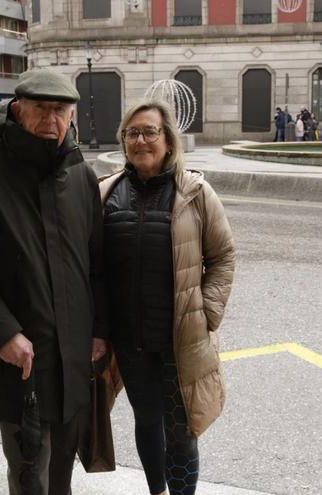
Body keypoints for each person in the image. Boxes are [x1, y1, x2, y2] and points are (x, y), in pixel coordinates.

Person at [0, 68, 107, 495]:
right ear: (17, 109)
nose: (51, 120)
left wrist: (99, 331)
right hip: (22, 363)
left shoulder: (81, 176)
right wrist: (3, 334)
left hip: (72, 361)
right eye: (41, 109)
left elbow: (96, 262)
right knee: (30, 477)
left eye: (60, 111)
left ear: (72, 117)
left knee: (61, 477)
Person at [99, 100, 236, 495]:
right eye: (132, 133)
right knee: (146, 419)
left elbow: (223, 255)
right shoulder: (106, 192)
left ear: (168, 141)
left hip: (179, 340)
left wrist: (207, 313)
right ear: (123, 141)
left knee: (181, 429)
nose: (141, 140)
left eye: (150, 132)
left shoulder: (195, 192)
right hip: (130, 339)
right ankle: (157, 491)